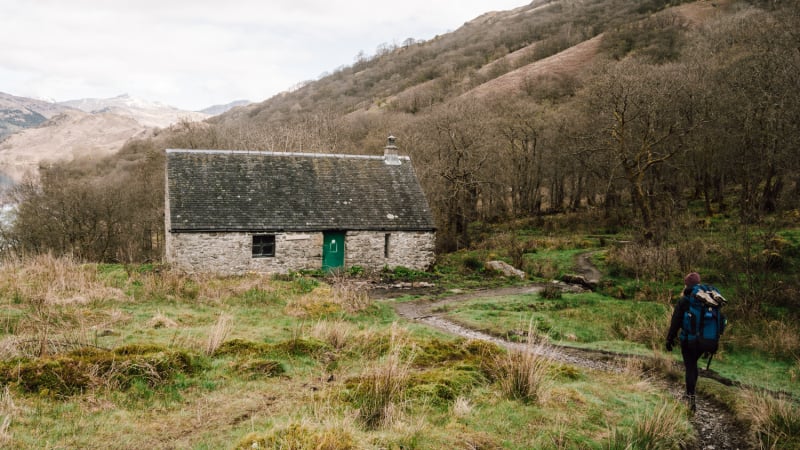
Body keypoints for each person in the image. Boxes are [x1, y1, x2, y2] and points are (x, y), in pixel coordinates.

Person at [665, 271, 704, 412]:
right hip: (704, 341)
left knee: (690, 366)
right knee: (693, 365)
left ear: (687, 284)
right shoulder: (706, 299)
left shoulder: (684, 300)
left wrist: (670, 339)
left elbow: (675, 321)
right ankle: (691, 395)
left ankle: (690, 398)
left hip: (688, 340)